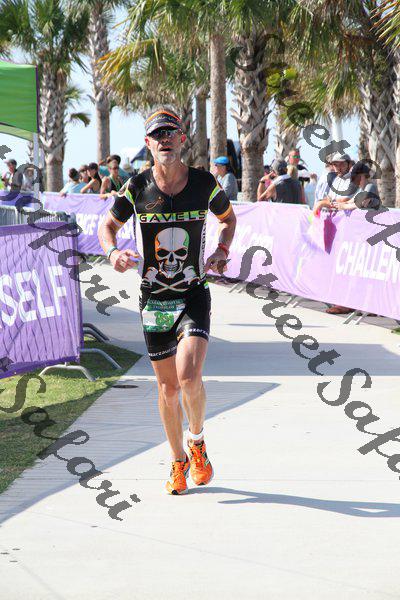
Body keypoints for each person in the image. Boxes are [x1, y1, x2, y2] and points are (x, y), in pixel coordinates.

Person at [99, 107, 236, 496]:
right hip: (155, 300)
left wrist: (222, 249)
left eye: (170, 134)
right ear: (148, 144)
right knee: (168, 389)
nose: (164, 141)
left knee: (189, 378)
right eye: (157, 136)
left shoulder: (204, 183)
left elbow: (228, 219)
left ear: (182, 139)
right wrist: (113, 253)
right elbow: (107, 226)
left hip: (193, 294)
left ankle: (198, 441)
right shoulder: (136, 187)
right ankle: (178, 460)